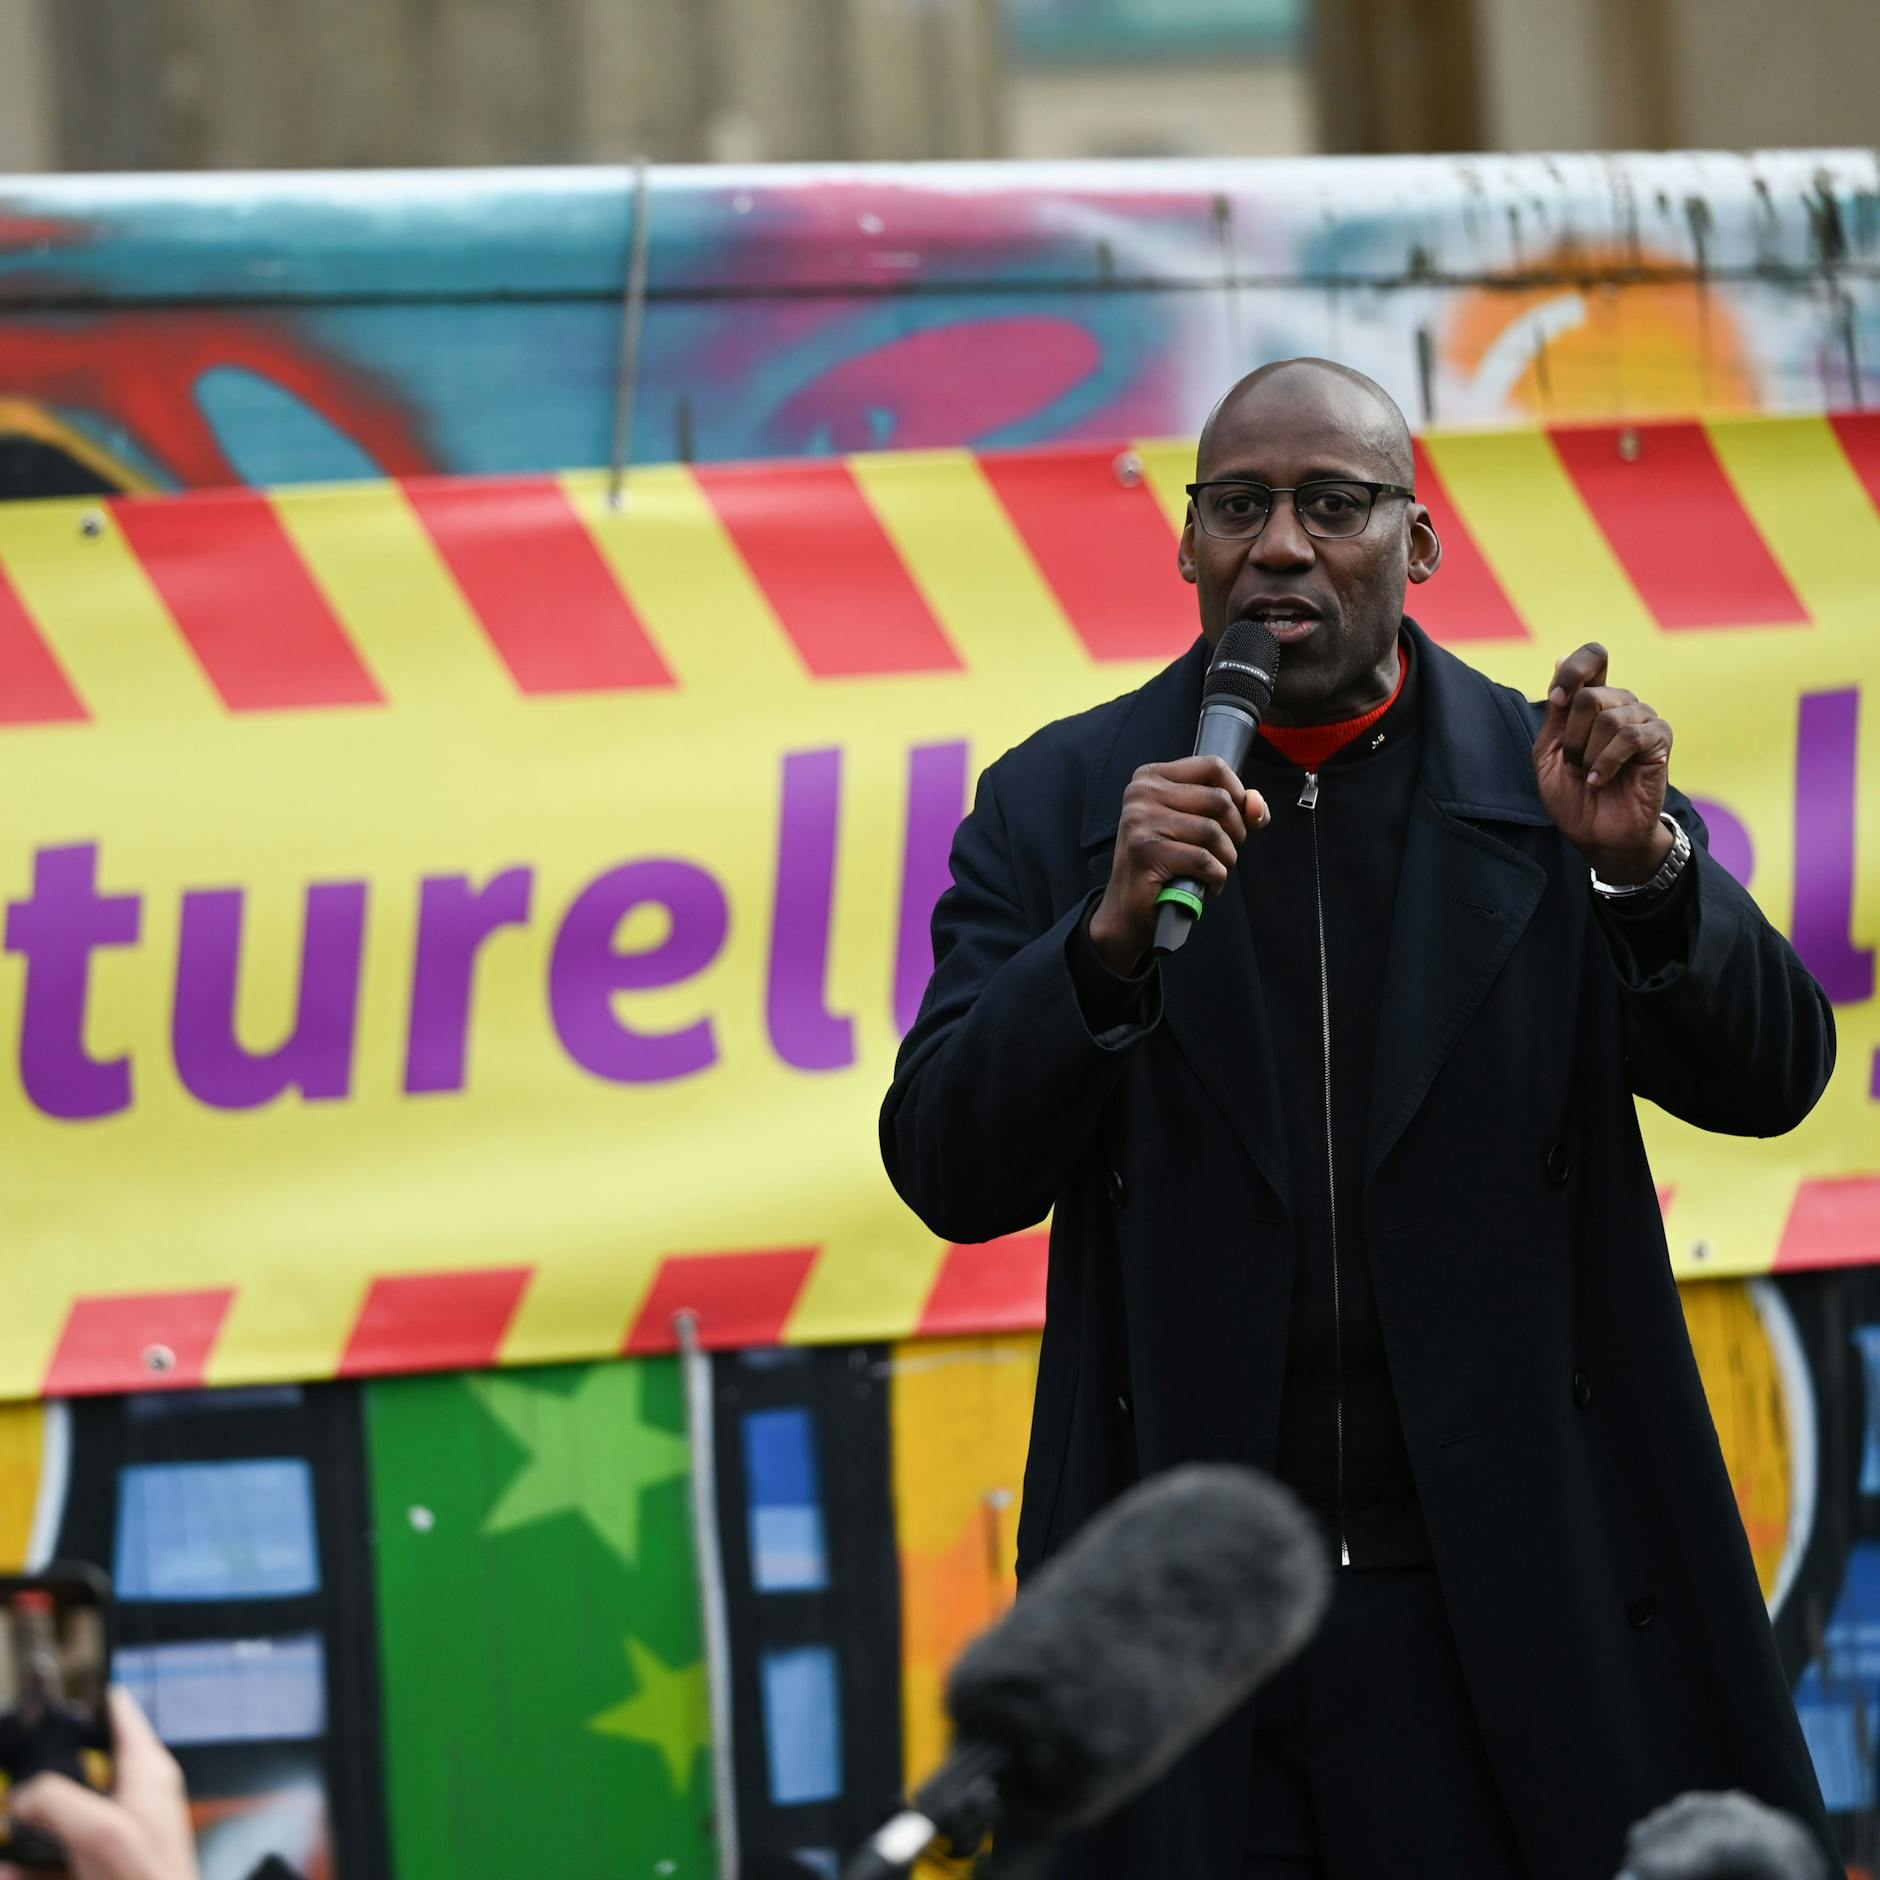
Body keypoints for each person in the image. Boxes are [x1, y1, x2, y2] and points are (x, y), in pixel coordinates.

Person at [881, 359, 1836, 1879]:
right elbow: (948, 1164)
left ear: (1419, 542)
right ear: (1186, 544)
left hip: (1516, 1589)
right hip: (1197, 1617)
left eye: (1333, 503)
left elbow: (1773, 1075)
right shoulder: (1066, 804)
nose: (1281, 544)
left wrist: (1645, 873)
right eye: (1238, 507)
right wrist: (1101, 944)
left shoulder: (1555, 784)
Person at [0, 1687, 198, 1880]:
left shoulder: (64, 1718)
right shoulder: (11, 1723)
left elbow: (95, 1738)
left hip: (69, 1805)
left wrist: (100, 1715)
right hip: (25, 1814)